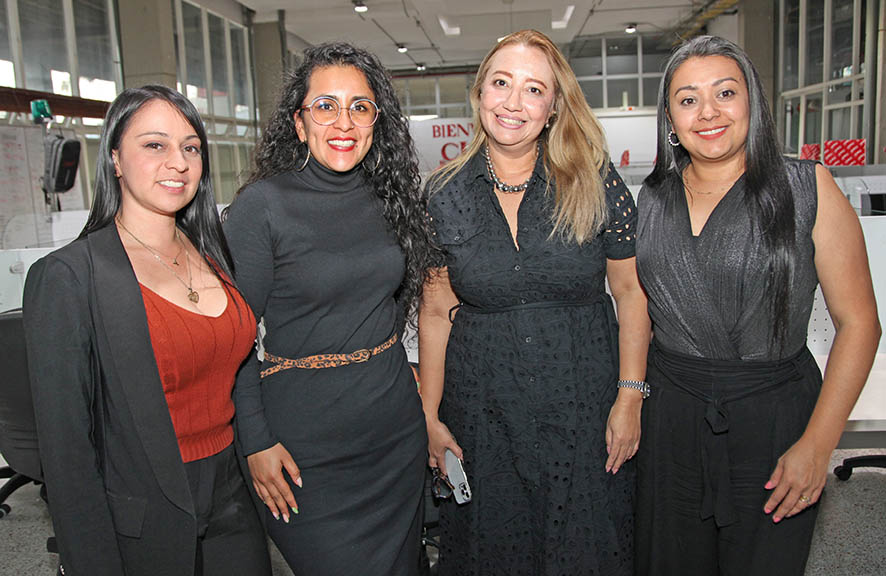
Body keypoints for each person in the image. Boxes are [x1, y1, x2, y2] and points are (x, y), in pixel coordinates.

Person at [634, 36, 881, 576]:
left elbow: (860, 323)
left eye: (725, 92)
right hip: (671, 421)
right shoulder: (650, 200)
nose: (709, 112)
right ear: (669, 120)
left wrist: (819, 446)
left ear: (753, 103)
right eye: (688, 99)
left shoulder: (806, 186)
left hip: (776, 420)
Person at [419, 29, 651, 576]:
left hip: (586, 408)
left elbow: (630, 292)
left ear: (553, 108)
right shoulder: (443, 193)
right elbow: (434, 312)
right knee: (493, 552)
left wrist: (631, 397)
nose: (514, 103)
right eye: (501, 83)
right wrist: (428, 416)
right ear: (478, 95)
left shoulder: (593, 180)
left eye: (533, 89)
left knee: (588, 551)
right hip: (483, 415)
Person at [22, 85, 272, 576]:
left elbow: (237, 368)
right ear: (115, 158)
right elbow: (67, 455)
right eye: (154, 145)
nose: (177, 162)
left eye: (190, 147)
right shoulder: (71, 276)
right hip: (142, 516)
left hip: (233, 499)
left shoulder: (213, 250)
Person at [222, 42, 438, 575]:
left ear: (376, 121)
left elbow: (388, 307)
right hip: (303, 449)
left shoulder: (391, 198)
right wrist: (255, 441)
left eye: (360, 107)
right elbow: (233, 341)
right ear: (299, 122)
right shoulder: (261, 207)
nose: (344, 121)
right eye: (325, 106)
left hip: (393, 434)